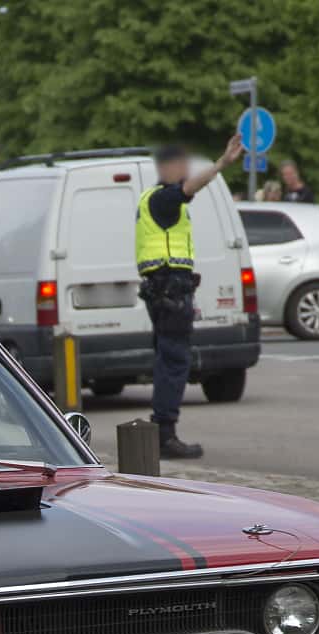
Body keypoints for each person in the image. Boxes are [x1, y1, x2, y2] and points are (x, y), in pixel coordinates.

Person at [128, 135, 245, 460]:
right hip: (171, 288)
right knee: (174, 360)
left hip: (162, 287)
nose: (184, 170)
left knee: (167, 359)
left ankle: (161, 431)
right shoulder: (164, 199)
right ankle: (165, 433)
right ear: (167, 168)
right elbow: (189, 189)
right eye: (180, 164)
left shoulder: (151, 199)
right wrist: (222, 163)